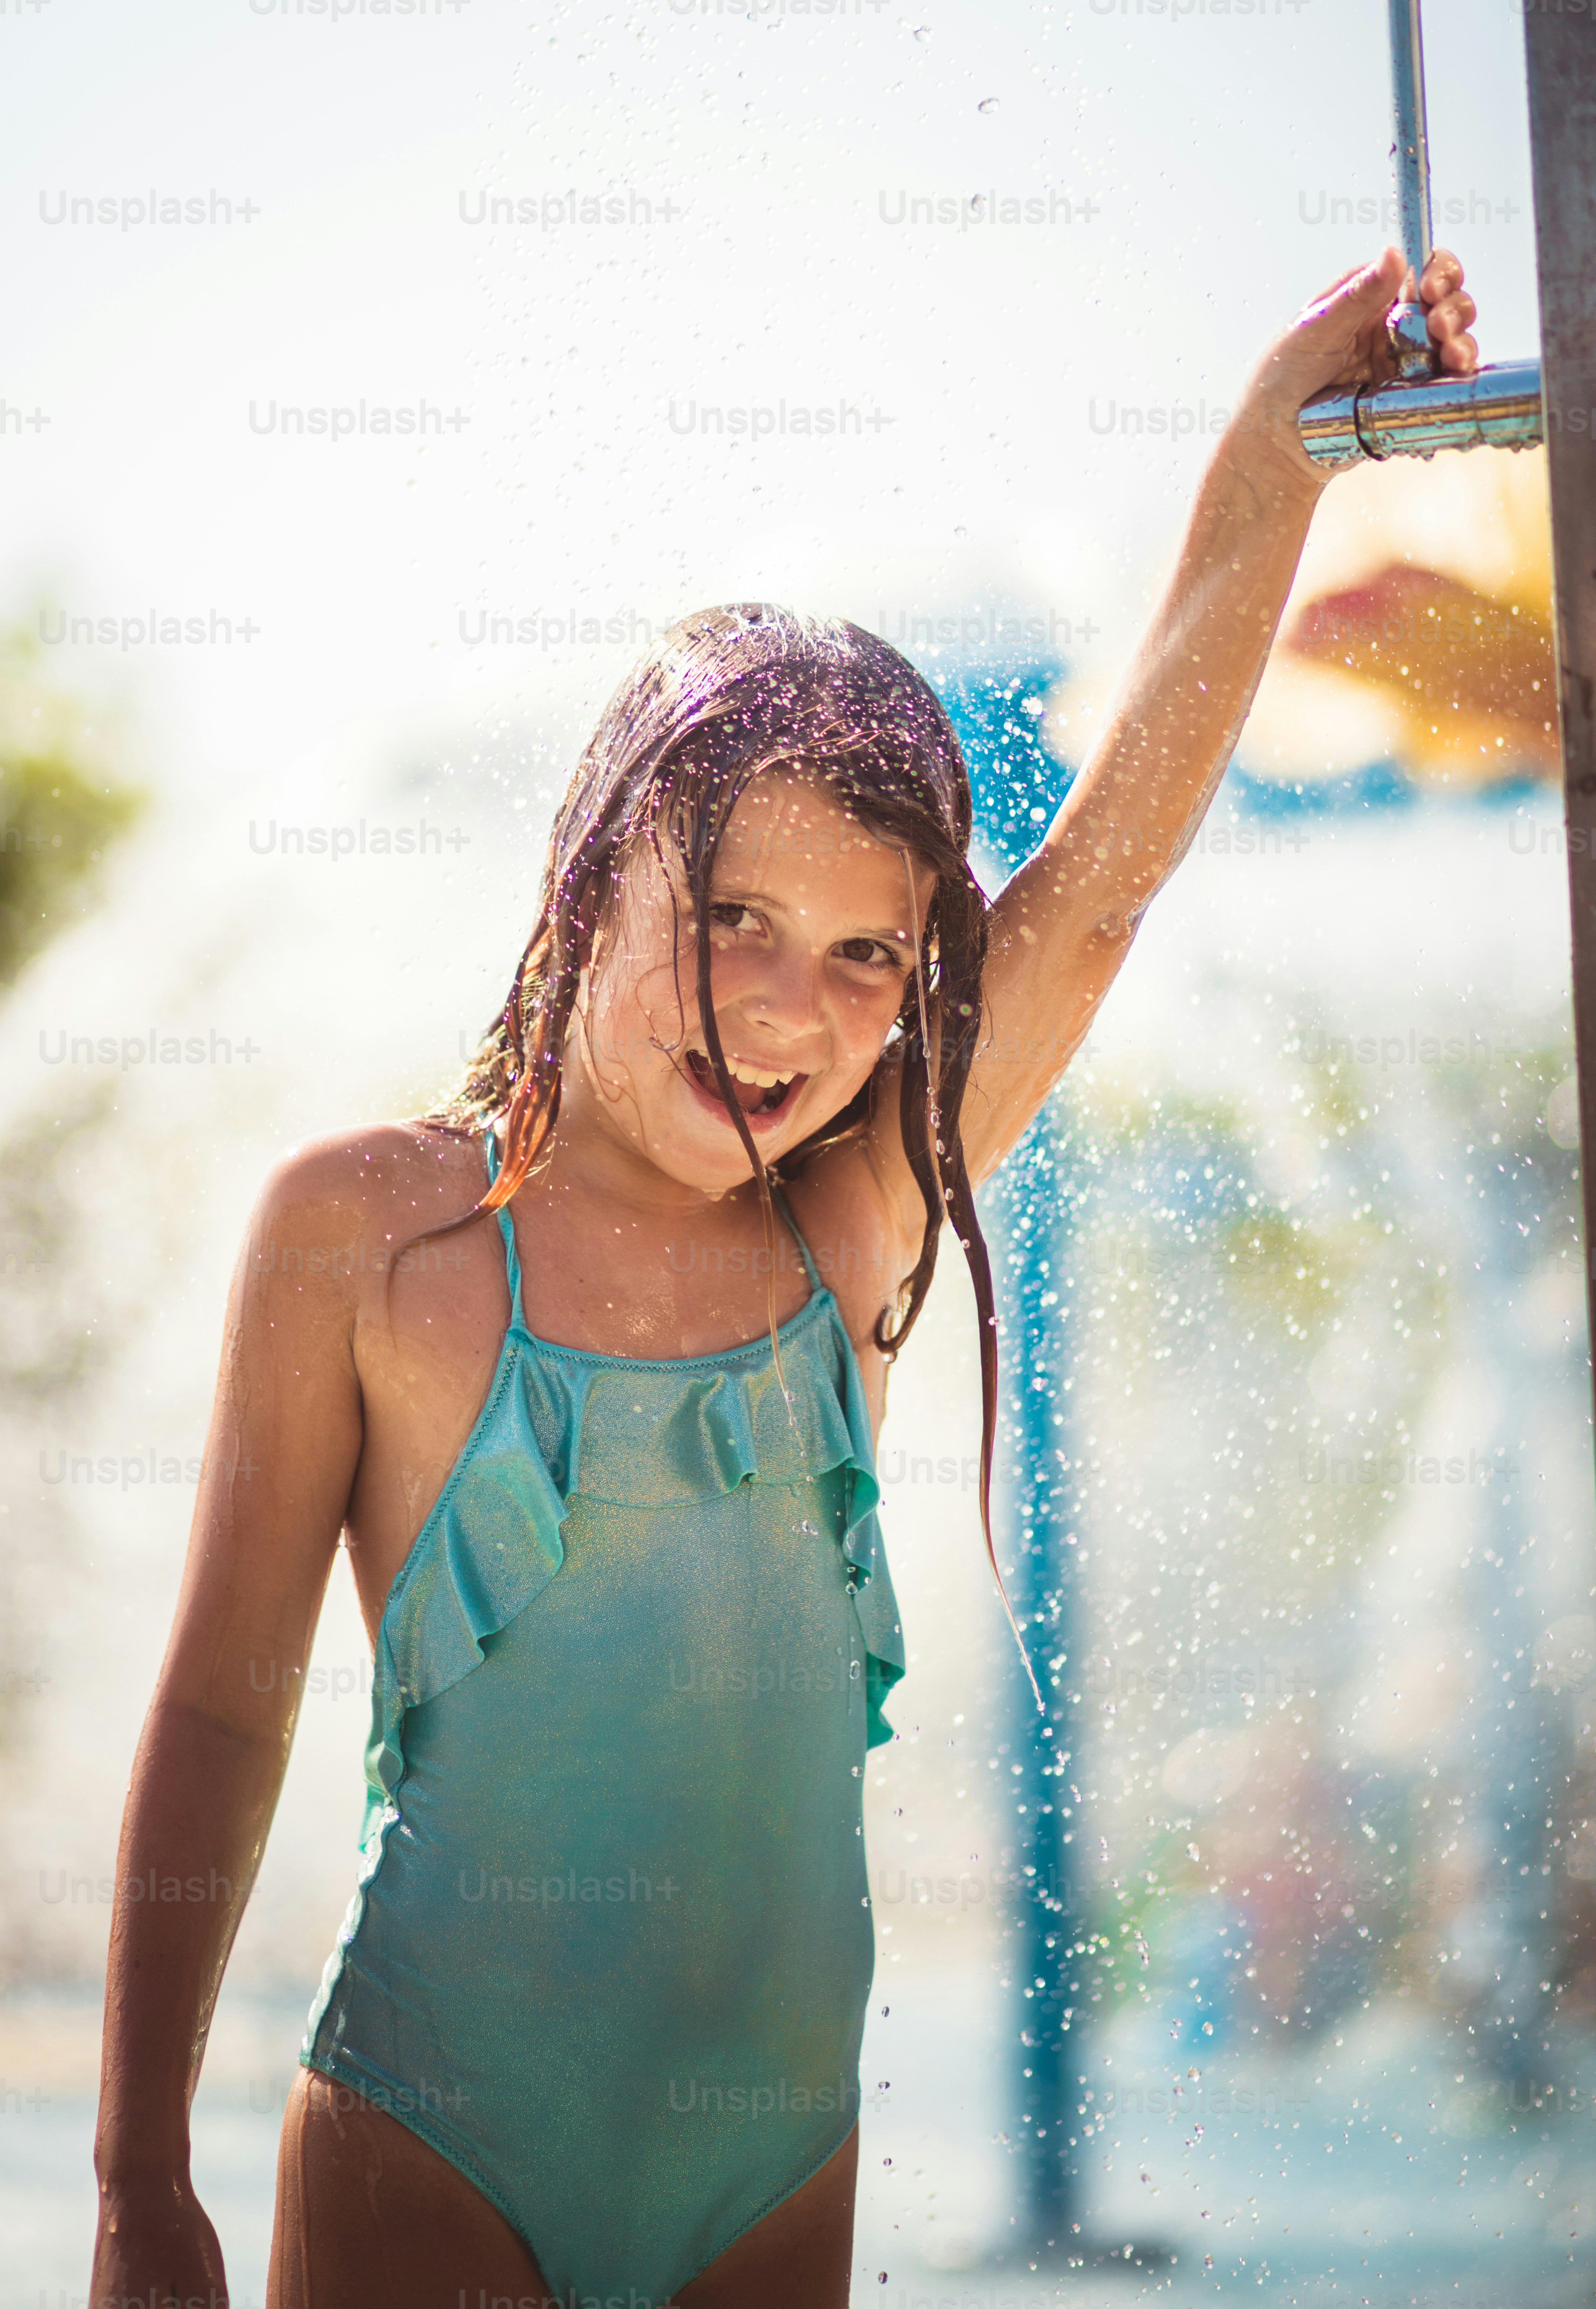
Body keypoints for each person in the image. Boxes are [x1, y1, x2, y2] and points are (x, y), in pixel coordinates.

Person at [89, 243, 1479, 2309]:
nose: (782, 1004)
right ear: (594, 873)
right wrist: (139, 2177)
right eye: (727, 913)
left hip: (772, 2165)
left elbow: (1092, 891)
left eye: (861, 955)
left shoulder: (851, 1234)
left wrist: (1277, 453)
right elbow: (220, 1697)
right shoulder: (370, 1234)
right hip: (439, 2133)